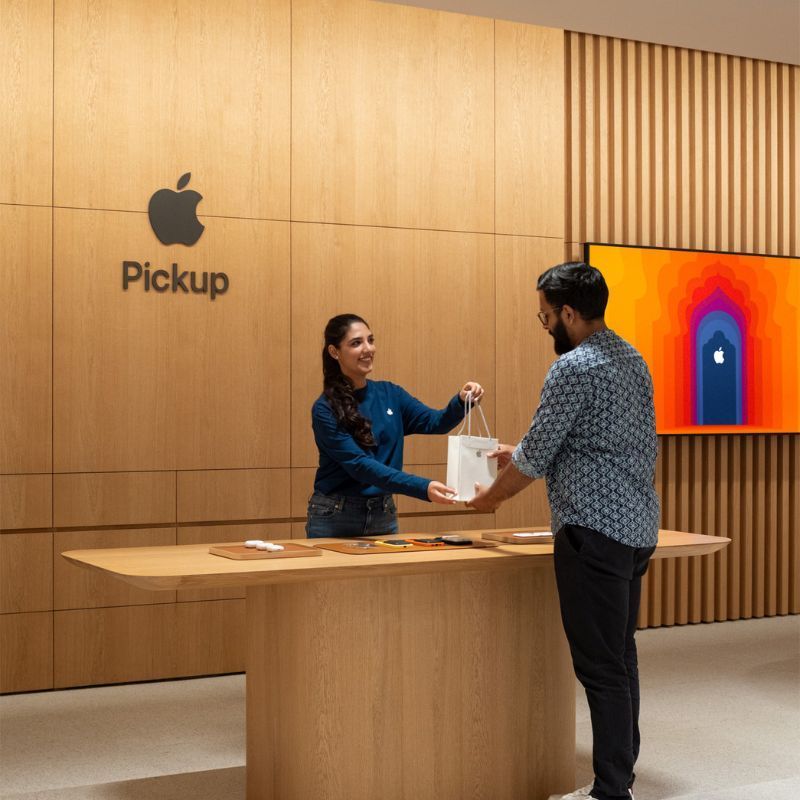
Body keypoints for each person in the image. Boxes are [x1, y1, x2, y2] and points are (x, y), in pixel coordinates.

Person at [468, 262, 659, 800]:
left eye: (545, 316)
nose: (546, 325)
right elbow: (598, 444)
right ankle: (619, 778)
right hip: (636, 526)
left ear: (568, 313)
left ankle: (610, 792)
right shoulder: (631, 358)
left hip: (591, 532)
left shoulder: (574, 368)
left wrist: (490, 499)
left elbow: (535, 459)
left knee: (600, 669)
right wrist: (521, 453)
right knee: (621, 660)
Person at [307, 313, 484, 538]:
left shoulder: (390, 393)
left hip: (383, 512)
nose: (368, 349)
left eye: (370, 340)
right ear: (334, 352)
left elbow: (435, 423)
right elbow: (361, 466)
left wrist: (461, 401)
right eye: (356, 343)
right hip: (335, 515)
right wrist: (423, 487)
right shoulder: (325, 408)